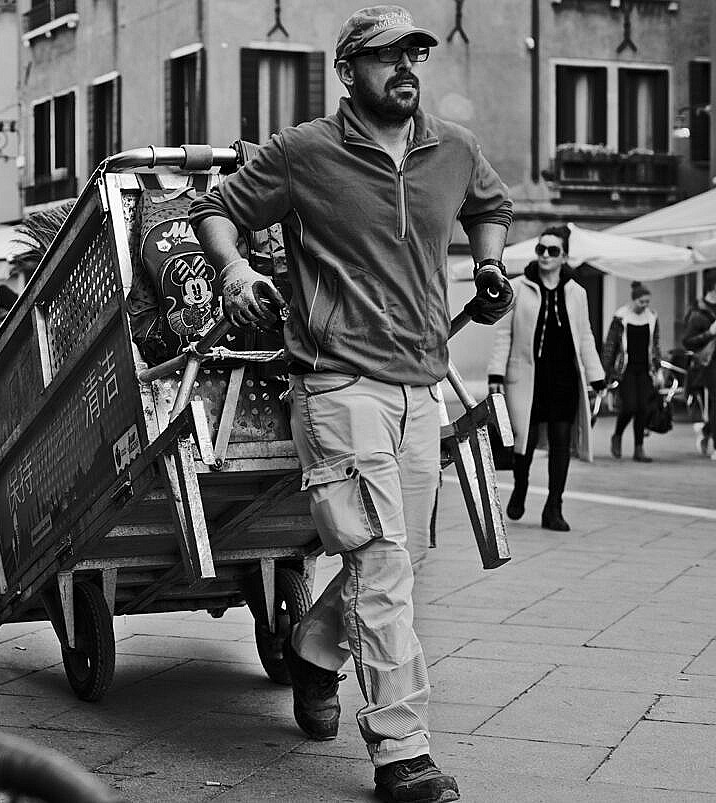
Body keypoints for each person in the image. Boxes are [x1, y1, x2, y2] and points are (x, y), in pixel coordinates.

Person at [189, 7, 514, 801]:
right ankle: (402, 749)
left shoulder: (453, 148)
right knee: (380, 556)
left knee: (406, 555)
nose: (406, 68)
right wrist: (234, 271)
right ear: (348, 72)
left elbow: (489, 205)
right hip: (335, 382)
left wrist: (492, 264)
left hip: (420, 381)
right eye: (386, 57)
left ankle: (313, 648)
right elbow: (215, 210)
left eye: (415, 55)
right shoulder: (304, 153)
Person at [488, 226, 605, 531]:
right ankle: (521, 485)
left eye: (552, 251)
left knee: (561, 443)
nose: (545, 256)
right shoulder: (518, 288)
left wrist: (596, 377)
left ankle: (554, 506)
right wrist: (496, 374)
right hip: (529, 378)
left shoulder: (577, 292)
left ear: (564, 256)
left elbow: (585, 336)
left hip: (565, 379)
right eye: (541, 249)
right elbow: (504, 334)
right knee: (522, 442)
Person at [602, 282, 661, 462]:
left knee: (643, 408)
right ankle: (617, 435)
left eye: (647, 302)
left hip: (645, 369)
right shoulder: (621, 317)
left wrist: (657, 370)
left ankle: (639, 448)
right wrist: (606, 370)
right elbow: (610, 345)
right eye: (642, 302)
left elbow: (656, 344)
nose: (644, 305)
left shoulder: (651, 317)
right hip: (625, 370)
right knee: (629, 406)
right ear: (634, 300)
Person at [682, 278, 716, 458]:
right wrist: (709, 333)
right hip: (709, 365)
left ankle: (707, 430)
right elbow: (687, 342)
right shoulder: (698, 313)